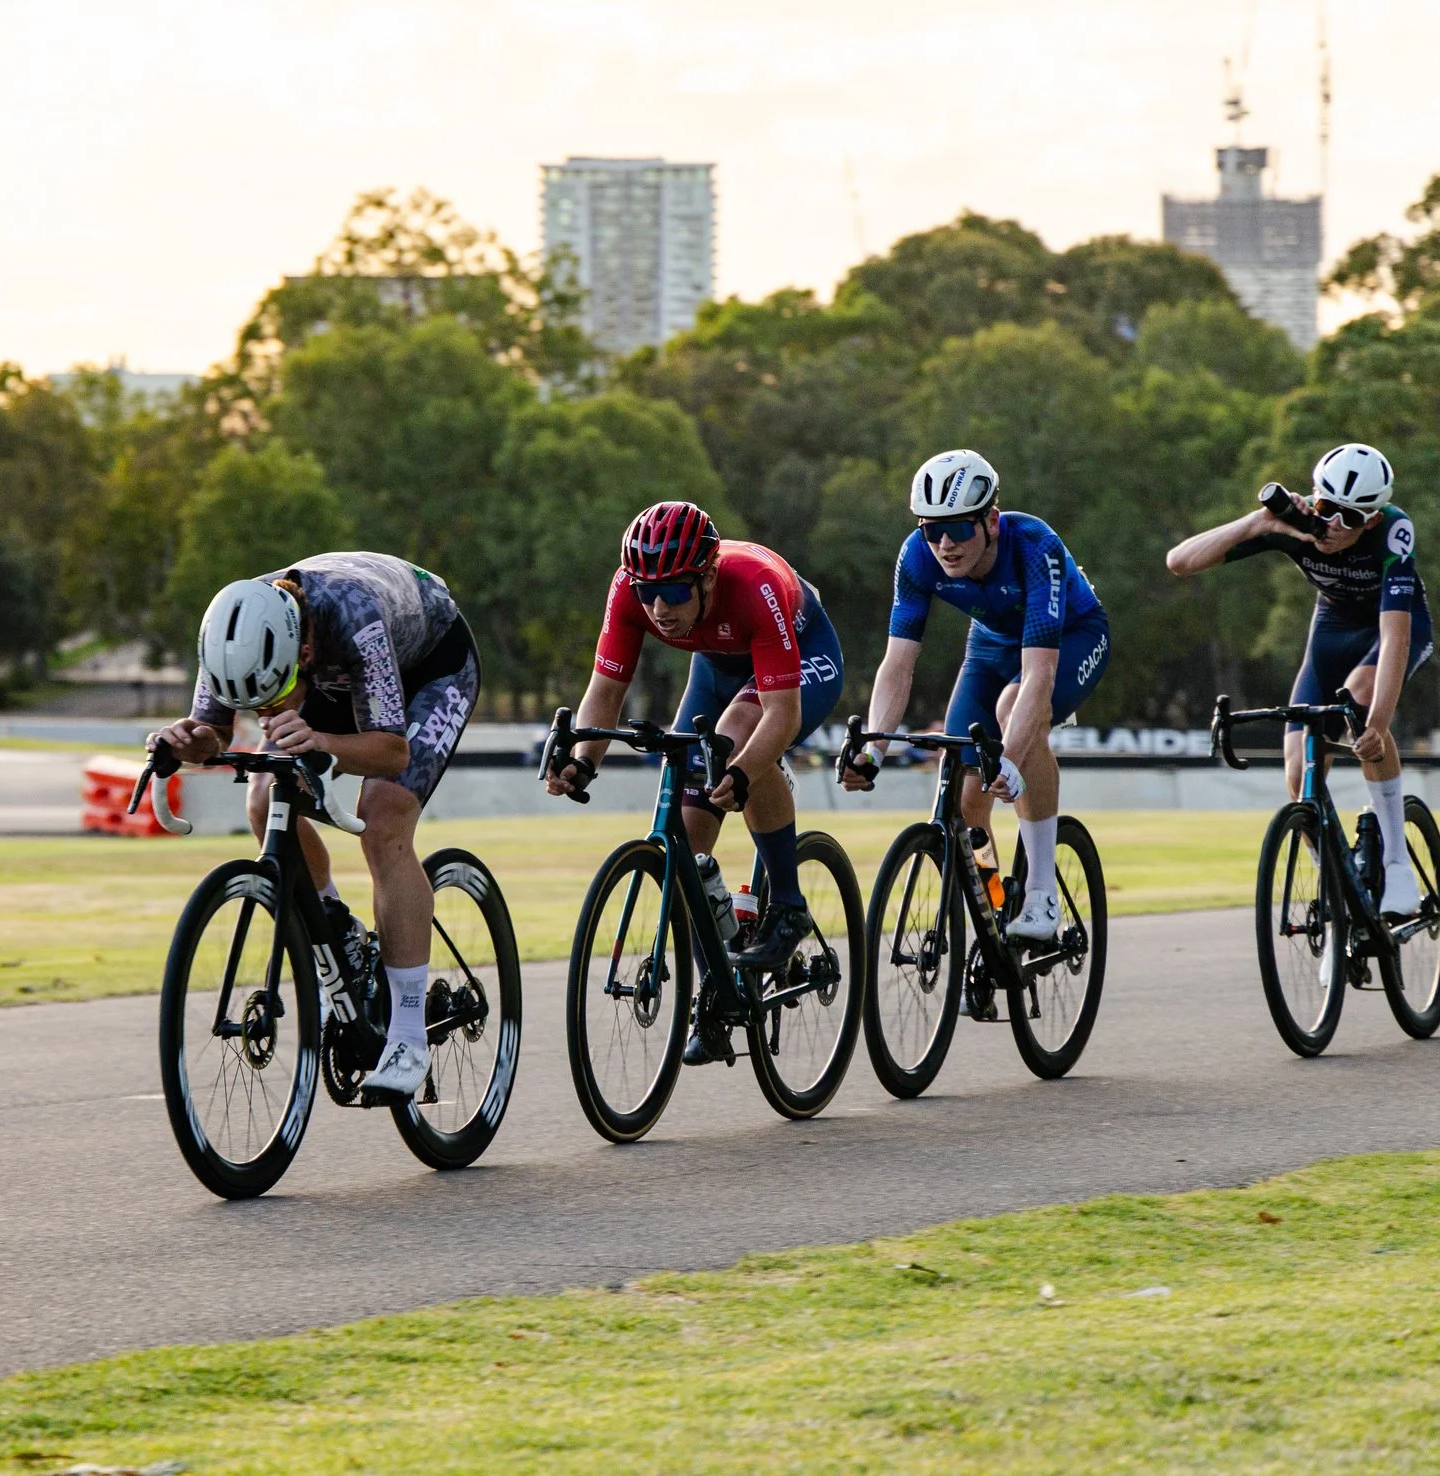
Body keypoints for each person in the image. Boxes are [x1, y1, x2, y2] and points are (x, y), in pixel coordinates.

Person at [152, 552, 480, 1105]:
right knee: (262, 797)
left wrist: (324, 744)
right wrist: (186, 742)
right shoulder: (232, 629)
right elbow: (213, 732)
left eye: (271, 694)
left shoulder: (355, 614)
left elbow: (393, 750)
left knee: (382, 822)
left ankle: (405, 1036)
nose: (264, 709)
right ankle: (337, 927)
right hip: (326, 677)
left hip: (429, 664)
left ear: (301, 651)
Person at [545, 501, 847, 1061]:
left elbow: (781, 715)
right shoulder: (632, 590)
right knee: (687, 834)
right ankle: (717, 992)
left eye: (677, 592)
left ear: (707, 576)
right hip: (717, 666)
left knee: (738, 737)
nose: (659, 608)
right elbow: (605, 690)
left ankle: (786, 903)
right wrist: (584, 759)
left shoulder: (753, 585)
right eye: (647, 592)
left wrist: (744, 770)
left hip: (800, 658)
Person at [840, 450, 1110, 946]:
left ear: (991, 520)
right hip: (989, 646)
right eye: (932, 529)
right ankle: (993, 909)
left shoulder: (1033, 546)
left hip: (1070, 638)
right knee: (964, 795)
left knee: (1016, 717)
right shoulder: (916, 557)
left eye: (960, 529)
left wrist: (1008, 760)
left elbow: (1039, 675)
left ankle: (1041, 892)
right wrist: (873, 750)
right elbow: (897, 665)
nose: (945, 543)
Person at [1165, 442, 1433, 917]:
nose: (1332, 525)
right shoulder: (1294, 526)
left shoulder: (1393, 530)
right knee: (1298, 775)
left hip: (1387, 629)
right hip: (1330, 631)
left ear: (1371, 520)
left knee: (1360, 700)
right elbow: (1180, 562)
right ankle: (1334, 879)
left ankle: (1396, 862)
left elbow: (1395, 638)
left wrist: (1377, 724)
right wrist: (1260, 523)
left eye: (1350, 518)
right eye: (1327, 508)